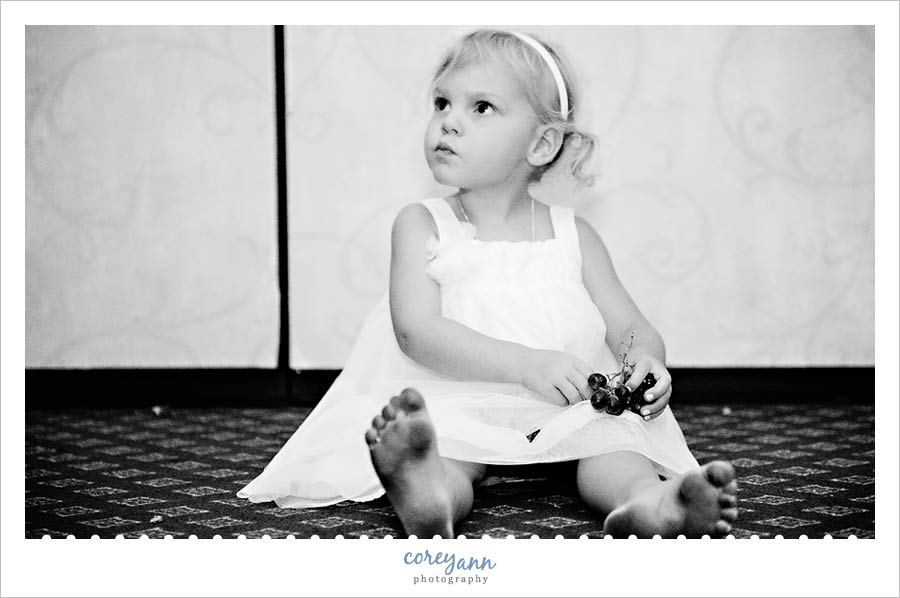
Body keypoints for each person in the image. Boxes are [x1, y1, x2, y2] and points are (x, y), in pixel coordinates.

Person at [239, 28, 738, 539]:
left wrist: (646, 361)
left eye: (481, 108)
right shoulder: (422, 223)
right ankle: (430, 493)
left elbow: (628, 325)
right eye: (441, 102)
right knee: (448, 447)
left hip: (570, 407)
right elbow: (417, 332)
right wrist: (524, 364)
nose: (448, 121)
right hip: (460, 397)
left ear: (541, 143)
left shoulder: (574, 235)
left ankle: (647, 504)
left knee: (616, 447)